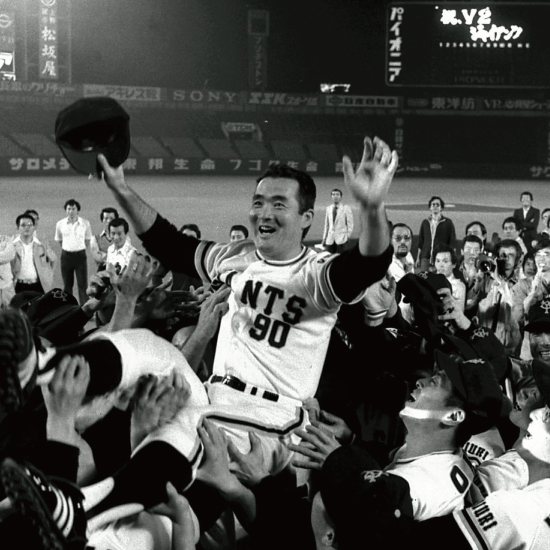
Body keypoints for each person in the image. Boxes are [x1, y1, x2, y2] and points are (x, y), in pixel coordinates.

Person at [83, 136, 396, 513]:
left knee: (178, 452)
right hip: (211, 398)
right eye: (258, 202)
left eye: (279, 204)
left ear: (306, 219)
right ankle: (45, 376)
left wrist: (373, 207)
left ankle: (83, 511)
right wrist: (119, 187)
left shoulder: (316, 275)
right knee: (137, 376)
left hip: (267, 421)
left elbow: (368, 264)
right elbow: (168, 243)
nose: (264, 213)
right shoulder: (235, 256)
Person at [54, 199, 92, 305]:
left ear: (77, 210)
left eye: (73, 209)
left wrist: (78, 247)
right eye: (69, 209)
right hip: (66, 256)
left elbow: (87, 239)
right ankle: (68, 307)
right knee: (67, 284)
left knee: (82, 284)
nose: (71, 211)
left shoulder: (85, 223)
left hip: (80, 256)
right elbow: (59, 239)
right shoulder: (60, 224)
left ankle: (84, 308)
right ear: (66, 210)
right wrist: (68, 248)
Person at [11, 213, 56, 295]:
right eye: (23, 225)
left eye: (30, 225)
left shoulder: (41, 244)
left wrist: (49, 275)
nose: (27, 227)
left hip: (38, 286)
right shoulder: (12, 245)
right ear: (18, 227)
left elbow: (53, 259)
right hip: (18, 286)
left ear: (34, 227)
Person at [417, 196, 456, 272]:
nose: (435, 206)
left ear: (441, 208)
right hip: (425, 257)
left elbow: (452, 242)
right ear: (430, 207)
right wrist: (418, 258)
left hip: (441, 257)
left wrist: (452, 259)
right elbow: (421, 242)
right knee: (424, 277)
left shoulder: (448, 223)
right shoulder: (425, 222)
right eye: (433, 204)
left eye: (437, 205)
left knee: (439, 277)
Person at [434, 244, 466, 311]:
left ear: (454, 264)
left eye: (445, 261)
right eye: (438, 261)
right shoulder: (430, 279)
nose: (440, 265)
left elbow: (459, 312)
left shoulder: (459, 286)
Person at [322, 188, 354, 254]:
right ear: (331, 197)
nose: (335, 196)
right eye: (333, 194)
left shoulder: (346, 208)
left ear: (341, 197)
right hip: (330, 239)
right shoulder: (328, 208)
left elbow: (350, 224)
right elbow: (326, 225)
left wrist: (347, 236)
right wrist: (324, 238)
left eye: (337, 194)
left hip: (342, 239)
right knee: (328, 256)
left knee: (342, 257)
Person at [90, 207, 119, 272]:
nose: (108, 221)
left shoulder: (123, 238)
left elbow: (127, 256)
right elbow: (98, 258)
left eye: (111, 218)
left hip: (120, 273)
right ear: (102, 220)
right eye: (106, 218)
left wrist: (104, 255)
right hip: (102, 273)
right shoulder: (95, 239)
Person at [0, 234, 15, 309]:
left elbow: (10, 255)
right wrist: (2, 251)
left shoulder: (5, 239)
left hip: (7, 284)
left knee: (12, 311)